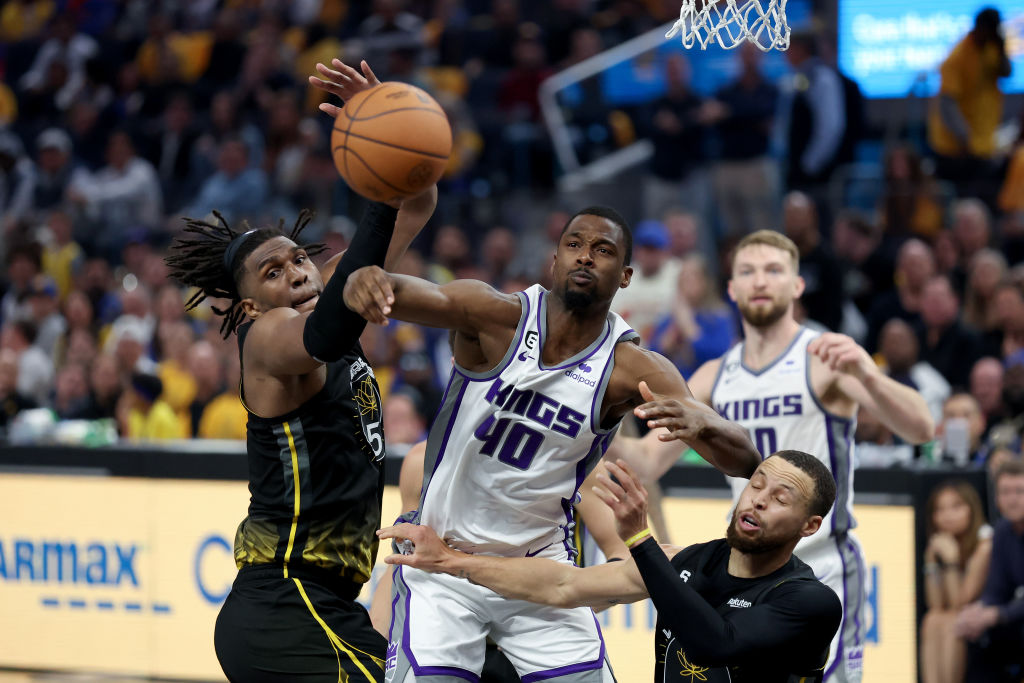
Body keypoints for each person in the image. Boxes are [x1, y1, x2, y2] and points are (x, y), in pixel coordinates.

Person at [342, 206, 761, 681]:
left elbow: (744, 460)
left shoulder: (633, 368)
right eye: (574, 244)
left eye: (603, 250)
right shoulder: (495, 314)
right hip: (443, 560)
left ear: (625, 276)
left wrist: (703, 425)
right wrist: (368, 280)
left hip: (538, 573)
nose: (586, 256)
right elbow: (411, 294)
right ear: (554, 259)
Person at [164, 59, 438, 683]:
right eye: (273, 272)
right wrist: (380, 195)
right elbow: (328, 332)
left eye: (298, 259)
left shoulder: (331, 289)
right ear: (251, 305)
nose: (295, 273)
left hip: (327, 604)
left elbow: (419, 204)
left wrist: (391, 130)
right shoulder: (264, 338)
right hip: (284, 603)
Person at [619, 230, 934, 683]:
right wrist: (590, 419)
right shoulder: (714, 375)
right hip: (747, 567)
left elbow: (921, 428)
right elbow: (647, 461)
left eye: (773, 270)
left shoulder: (824, 357)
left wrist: (868, 373)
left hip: (823, 565)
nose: (760, 280)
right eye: (748, 271)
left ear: (797, 285)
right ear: (732, 288)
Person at [381, 453, 842, 682]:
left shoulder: (809, 601)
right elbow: (563, 585)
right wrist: (453, 562)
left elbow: (716, 644)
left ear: (810, 525)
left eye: (780, 498)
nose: (758, 500)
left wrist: (639, 540)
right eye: (756, 485)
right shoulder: (687, 561)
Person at [928, 7, 1012, 203]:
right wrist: (965, 139)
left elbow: (1006, 72)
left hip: (982, 143)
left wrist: (1001, 48)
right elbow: (947, 105)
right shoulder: (956, 57)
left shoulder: (991, 49)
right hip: (957, 148)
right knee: (963, 203)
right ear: (979, 28)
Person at [955, 459, 1024, 681]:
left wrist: (995, 615)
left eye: (1019, 491)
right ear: (996, 498)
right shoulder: (1002, 531)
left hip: (1015, 616)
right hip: (1012, 619)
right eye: (1005, 492)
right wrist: (978, 611)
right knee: (969, 631)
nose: (1012, 499)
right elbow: (996, 588)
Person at [919, 480, 993, 683]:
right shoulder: (944, 544)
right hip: (958, 618)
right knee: (932, 619)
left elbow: (960, 603)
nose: (947, 515)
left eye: (956, 507)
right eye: (940, 509)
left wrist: (951, 561)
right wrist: (931, 560)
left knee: (952, 620)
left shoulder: (985, 544)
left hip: (987, 623)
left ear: (972, 509)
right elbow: (935, 604)